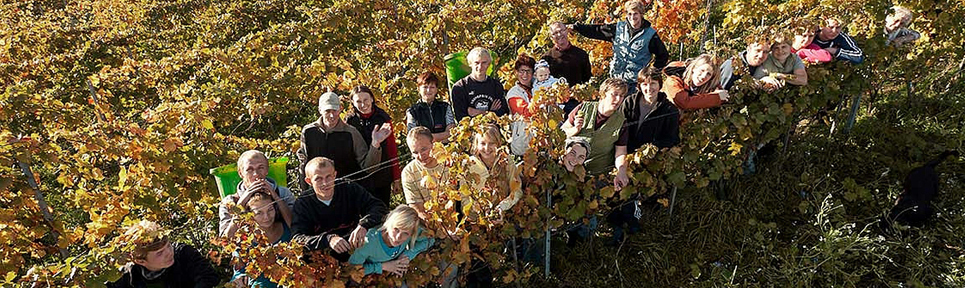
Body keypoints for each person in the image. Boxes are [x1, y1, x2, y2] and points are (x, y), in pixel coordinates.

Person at [292, 157, 387, 262]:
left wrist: (364, 225)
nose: (325, 183)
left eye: (328, 177)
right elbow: (298, 238)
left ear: (335, 175)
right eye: (318, 179)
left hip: (355, 253)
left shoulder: (349, 188)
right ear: (309, 181)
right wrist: (328, 239)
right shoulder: (303, 203)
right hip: (321, 261)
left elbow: (378, 207)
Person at [296, 91, 391, 192]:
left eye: (335, 110)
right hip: (318, 193)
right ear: (320, 110)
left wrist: (375, 144)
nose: (332, 115)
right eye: (327, 111)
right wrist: (304, 192)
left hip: (346, 193)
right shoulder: (308, 132)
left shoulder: (351, 133)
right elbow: (304, 164)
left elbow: (368, 167)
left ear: (340, 109)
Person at [571, 0, 670, 94]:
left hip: (634, 84)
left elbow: (663, 55)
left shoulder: (650, 35)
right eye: (629, 14)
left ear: (641, 14)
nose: (632, 17)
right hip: (616, 79)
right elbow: (597, 30)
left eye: (635, 14)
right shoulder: (618, 28)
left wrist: (650, 74)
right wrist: (577, 27)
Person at [560, 78, 631, 191]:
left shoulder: (621, 122)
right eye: (615, 94)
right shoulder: (583, 108)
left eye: (622, 96)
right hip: (571, 169)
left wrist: (621, 171)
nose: (618, 99)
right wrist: (575, 130)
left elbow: (620, 152)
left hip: (597, 175)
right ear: (603, 94)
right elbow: (562, 132)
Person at [106, 220, 219, 288]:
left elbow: (208, 278)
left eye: (168, 246)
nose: (169, 253)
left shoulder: (184, 253)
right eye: (159, 253)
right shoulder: (126, 276)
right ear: (140, 261)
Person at [345, 85, 402, 206]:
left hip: (382, 176)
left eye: (365, 100)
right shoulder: (349, 121)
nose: (363, 104)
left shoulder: (383, 118)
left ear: (371, 99)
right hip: (359, 177)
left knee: (382, 210)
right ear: (353, 103)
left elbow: (392, 149)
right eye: (358, 101)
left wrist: (396, 178)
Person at [219, 150, 295, 238]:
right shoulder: (229, 202)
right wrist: (242, 202)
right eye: (249, 170)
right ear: (241, 173)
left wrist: (276, 197)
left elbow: (296, 227)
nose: (256, 174)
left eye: (261, 168)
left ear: (267, 170)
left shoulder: (283, 193)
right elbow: (225, 239)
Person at [227, 192, 293, 288]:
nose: (266, 217)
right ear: (250, 215)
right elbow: (239, 271)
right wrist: (239, 279)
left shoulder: (287, 228)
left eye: (270, 210)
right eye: (259, 213)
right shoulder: (244, 239)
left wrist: (275, 195)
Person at [349, 205, 435, 276]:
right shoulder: (369, 242)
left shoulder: (411, 228)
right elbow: (353, 269)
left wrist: (407, 255)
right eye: (396, 229)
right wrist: (382, 266)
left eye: (405, 233)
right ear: (389, 224)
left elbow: (430, 239)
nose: (398, 237)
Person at [466, 123, 524, 217]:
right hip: (477, 219)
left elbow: (517, 190)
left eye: (492, 143)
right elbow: (465, 198)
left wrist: (502, 207)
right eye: (483, 143)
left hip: (504, 216)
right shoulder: (468, 165)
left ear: (498, 143)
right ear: (476, 145)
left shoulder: (506, 160)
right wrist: (478, 211)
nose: (487, 148)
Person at [622, 67, 679, 152]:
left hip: (653, 157)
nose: (649, 88)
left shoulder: (670, 110)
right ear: (639, 86)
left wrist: (650, 148)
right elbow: (619, 127)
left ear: (659, 85)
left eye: (653, 83)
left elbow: (672, 139)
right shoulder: (629, 102)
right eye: (645, 84)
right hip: (625, 151)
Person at [401, 126, 448, 221]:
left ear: (433, 143)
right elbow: (417, 208)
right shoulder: (409, 172)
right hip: (429, 223)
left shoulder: (449, 162)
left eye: (423, 149)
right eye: (415, 152)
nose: (420, 155)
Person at [450, 47, 509, 121]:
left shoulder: (496, 85)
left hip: (493, 127)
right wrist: (491, 112)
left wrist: (479, 112)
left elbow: (503, 113)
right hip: (470, 130)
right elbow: (461, 117)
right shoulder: (460, 87)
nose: (480, 67)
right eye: (476, 63)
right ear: (470, 63)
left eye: (484, 63)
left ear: (489, 64)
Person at [664, 54, 730, 111]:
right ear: (694, 68)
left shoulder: (709, 85)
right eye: (702, 70)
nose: (703, 76)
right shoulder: (673, 80)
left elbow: (723, 95)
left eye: (708, 74)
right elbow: (684, 102)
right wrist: (715, 98)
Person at [406, 72, 456, 143]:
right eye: (425, 87)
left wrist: (427, 139)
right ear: (418, 89)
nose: (428, 90)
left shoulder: (445, 107)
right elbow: (413, 139)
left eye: (432, 87)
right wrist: (442, 136)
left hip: (446, 150)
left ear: (436, 90)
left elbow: (452, 134)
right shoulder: (412, 112)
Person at [542, 21, 593, 87]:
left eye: (561, 31)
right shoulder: (546, 58)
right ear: (551, 37)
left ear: (567, 31)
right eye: (555, 33)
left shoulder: (581, 54)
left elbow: (587, 80)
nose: (559, 35)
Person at [507, 55, 536, 156]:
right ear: (516, 72)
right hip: (523, 142)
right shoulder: (514, 93)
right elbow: (526, 112)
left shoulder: (538, 88)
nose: (525, 75)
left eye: (528, 71)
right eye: (521, 71)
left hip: (540, 140)